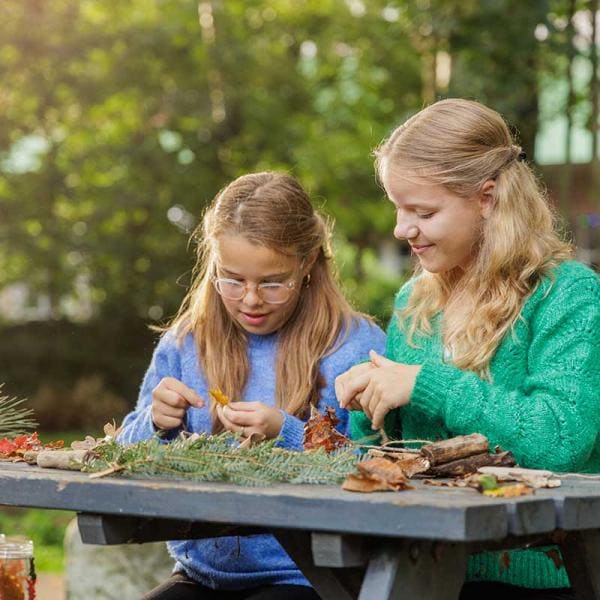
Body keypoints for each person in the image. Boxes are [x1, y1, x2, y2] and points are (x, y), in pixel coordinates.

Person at [335, 98, 600, 600]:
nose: (401, 228)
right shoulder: (416, 301)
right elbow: (399, 457)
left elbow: (560, 437)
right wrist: (366, 408)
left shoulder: (566, 294)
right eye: (398, 207)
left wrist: (423, 384)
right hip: (428, 571)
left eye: (423, 211)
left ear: (486, 198)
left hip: (543, 576)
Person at [118, 171, 385, 600]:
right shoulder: (187, 342)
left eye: (272, 282)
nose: (250, 300)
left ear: (308, 263)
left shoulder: (354, 346)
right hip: (203, 574)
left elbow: (377, 467)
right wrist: (154, 422)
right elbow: (121, 453)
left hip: (311, 578)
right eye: (232, 279)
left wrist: (289, 433)